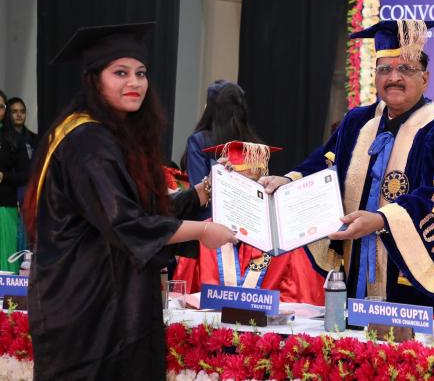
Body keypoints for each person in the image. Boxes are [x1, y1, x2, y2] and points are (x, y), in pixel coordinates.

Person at [22, 22, 236, 380]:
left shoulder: (105, 133)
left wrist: (202, 192)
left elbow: (140, 213)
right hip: (89, 311)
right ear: (94, 79)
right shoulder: (88, 142)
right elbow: (127, 224)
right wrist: (202, 231)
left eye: (141, 73)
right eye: (120, 73)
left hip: (108, 299)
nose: (134, 82)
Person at [260, 19, 434, 319]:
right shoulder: (357, 122)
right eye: (385, 69)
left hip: (416, 292)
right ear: (374, 76)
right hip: (355, 273)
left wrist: (381, 220)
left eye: (406, 69)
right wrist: (287, 182)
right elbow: (325, 163)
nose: (394, 78)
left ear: (425, 78)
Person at [178, 141, 324, 305]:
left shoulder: (283, 239)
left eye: (253, 186)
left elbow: (298, 302)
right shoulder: (204, 232)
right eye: (236, 185)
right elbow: (182, 297)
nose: (244, 195)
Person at [180, 80, 260, 220]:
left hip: (209, 225)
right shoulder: (254, 146)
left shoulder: (199, 141)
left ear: (210, 108)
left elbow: (198, 193)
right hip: (247, 222)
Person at [0, 90, 30, 273]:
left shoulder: (14, 139)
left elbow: (26, 174)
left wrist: (4, 177)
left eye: (1, 107)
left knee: (5, 254)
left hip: (5, 204)